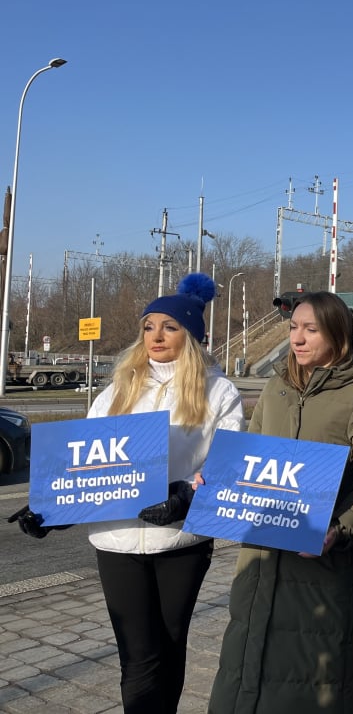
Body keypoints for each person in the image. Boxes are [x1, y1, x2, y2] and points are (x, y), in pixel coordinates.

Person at [14, 273, 246, 714]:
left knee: (169, 645)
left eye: (170, 327)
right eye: (148, 326)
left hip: (179, 540)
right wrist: (50, 508)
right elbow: (83, 466)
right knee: (137, 655)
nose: (156, 336)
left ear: (191, 334)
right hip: (117, 539)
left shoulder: (219, 391)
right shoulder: (116, 390)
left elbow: (225, 464)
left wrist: (187, 497)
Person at [209, 291, 353, 713]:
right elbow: (248, 456)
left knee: (312, 686)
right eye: (294, 327)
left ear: (338, 333)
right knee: (243, 673)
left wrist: (339, 529)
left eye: (311, 329)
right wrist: (216, 479)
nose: (298, 337)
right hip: (260, 559)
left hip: (322, 567)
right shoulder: (276, 387)